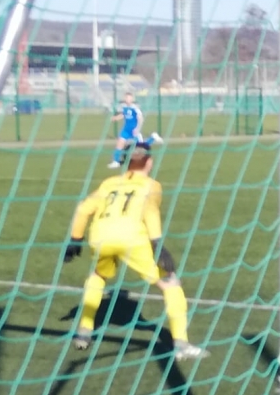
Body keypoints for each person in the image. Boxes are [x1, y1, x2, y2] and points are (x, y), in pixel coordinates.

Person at [63, 143, 207, 360]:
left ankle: (84, 331)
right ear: (149, 161)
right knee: (170, 283)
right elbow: (150, 212)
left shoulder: (109, 183)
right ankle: (181, 344)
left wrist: (75, 238)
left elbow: (83, 209)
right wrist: (158, 244)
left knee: (98, 275)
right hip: (131, 238)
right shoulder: (152, 185)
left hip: (100, 236)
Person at [109, 91, 163, 169]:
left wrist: (137, 128)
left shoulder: (135, 108)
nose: (128, 99)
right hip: (126, 130)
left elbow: (140, 119)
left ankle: (153, 138)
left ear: (132, 99)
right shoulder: (124, 107)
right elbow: (123, 115)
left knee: (142, 146)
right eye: (126, 98)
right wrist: (116, 118)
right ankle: (116, 161)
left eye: (129, 98)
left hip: (134, 130)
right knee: (120, 144)